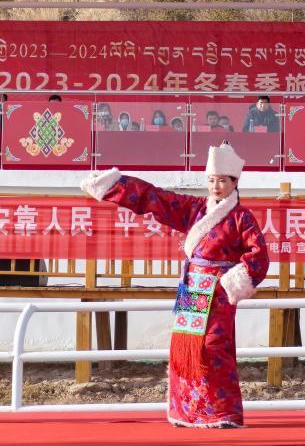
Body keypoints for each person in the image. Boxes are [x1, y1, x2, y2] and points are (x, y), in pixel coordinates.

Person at [80, 142, 269, 428]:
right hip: (192, 285)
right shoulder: (196, 209)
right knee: (184, 346)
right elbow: (157, 199)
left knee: (213, 346)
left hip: (218, 290)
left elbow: (259, 255)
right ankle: (187, 412)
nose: (216, 186)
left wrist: (234, 281)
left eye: (222, 181)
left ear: (234, 182)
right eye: (211, 180)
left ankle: (222, 412)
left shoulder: (242, 218)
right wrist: (114, 184)